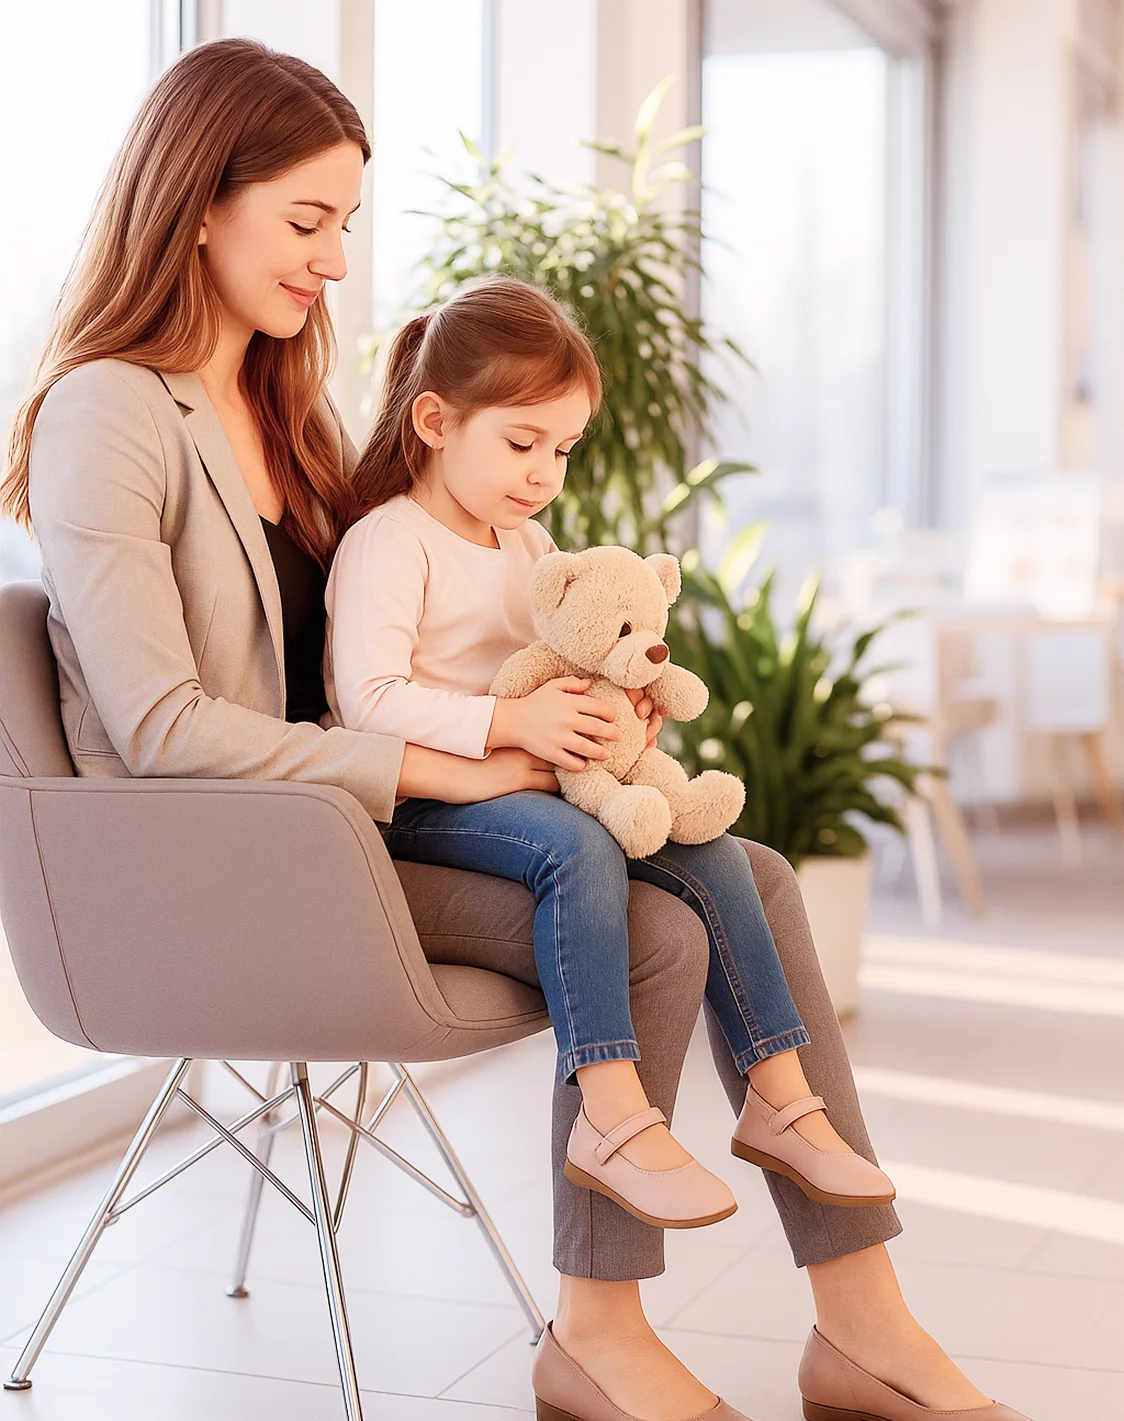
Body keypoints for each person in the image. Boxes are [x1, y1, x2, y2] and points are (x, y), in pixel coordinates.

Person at [2, 37, 1029, 1421]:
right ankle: (606, 1339)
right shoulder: (109, 412)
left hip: (353, 820)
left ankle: (862, 1321)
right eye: (306, 221)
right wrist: (480, 755)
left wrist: (571, 703)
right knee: (661, 920)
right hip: (238, 862)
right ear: (195, 199)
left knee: (753, 880)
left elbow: (403, 632)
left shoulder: (277, 411)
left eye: (346, 225)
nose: (335, 262)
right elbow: (171, 724)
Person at [325, 276, 898, 1257]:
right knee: (574, 853)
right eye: (520, 443)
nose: (543, 472)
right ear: (433, 418)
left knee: (709, 846)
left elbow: (574, 657)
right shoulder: (391, 541)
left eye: (561, 448)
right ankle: (611, 1106)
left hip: (535, 781)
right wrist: (513, 721)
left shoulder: (530, 542)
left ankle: (780, 1097)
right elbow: (367, 700)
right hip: (424, 801)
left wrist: (613, 713)